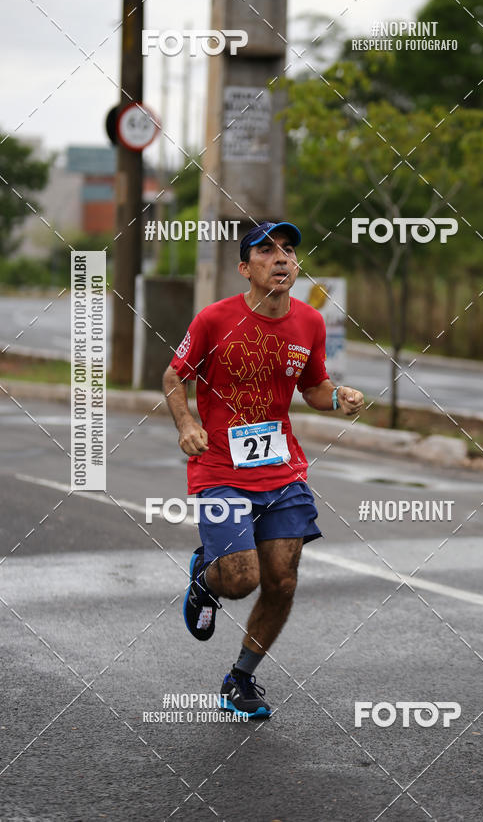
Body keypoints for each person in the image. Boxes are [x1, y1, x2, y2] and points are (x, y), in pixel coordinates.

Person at [163, 221, 364, 718]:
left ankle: (241, 678)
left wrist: (338, 396)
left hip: (281, 468)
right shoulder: (214, 319)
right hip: (220, 469)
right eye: (267, 250)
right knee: (241, 579)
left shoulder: (309, 323)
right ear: (245, 268)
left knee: (283, 581)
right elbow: (174, 375)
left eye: (289, 251)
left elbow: (313, 387)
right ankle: (207, 578)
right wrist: (187, 423)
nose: (281, 258)